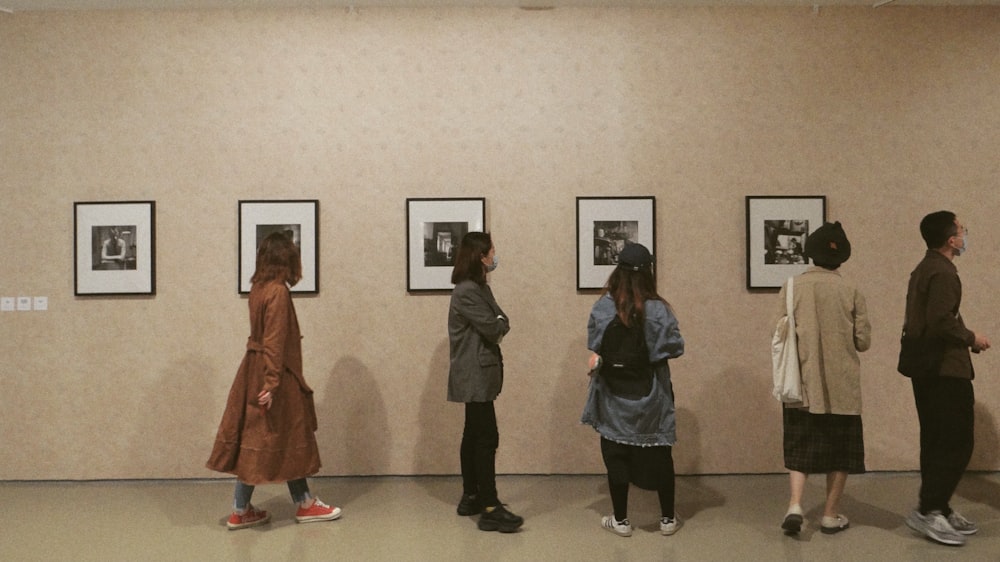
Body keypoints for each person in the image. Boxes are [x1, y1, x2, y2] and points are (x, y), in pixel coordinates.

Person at [206, 231, 341, 530]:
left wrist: (264, 379)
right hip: (275, 372)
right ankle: (304, 505)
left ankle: (241, 510)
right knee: (290, 436)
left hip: (254, 369)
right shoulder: (278, 291)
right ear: (286, 258)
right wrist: (271, 383)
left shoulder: (258, 287)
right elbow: (275, 340)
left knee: (258, 438)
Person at [581, 242, 685, 538]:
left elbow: (595, 343)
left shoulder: (603, 306)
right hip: (652, 394)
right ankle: (667, 519)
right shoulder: (659, 309)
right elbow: (675, 348)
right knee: (661, 455)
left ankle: (621, 520)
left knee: (615, 454)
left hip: (613, 395)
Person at [898, 211, 989, 546]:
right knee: (955, 441)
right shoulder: (943, 272)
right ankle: (930, 511)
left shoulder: (925, 267)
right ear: (951, 240)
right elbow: (940, 320)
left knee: (936, 440)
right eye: (962, 230)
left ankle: (936, 506)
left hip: (928, 368)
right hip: (944, 370)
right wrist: (971, 338)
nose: (965, 235)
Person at [776, 222, 871, 536]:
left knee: (800, 447)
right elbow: (863, 341)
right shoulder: (852, 290)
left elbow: (780, 330)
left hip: (802, 385)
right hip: (842, 386)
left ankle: (794, 505)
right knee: (841, 451)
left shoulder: (791, 287)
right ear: (841, 257)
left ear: (810, 253)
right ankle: (830, 515)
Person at [448, 231, 524, 533]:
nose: (495, 256)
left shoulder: (478, 288)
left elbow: (501, 319)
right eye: (492, 251)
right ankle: (490, 507)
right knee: (486, 438)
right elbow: (495, 327)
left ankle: (472, 496)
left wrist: (500, 322)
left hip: (477, 374)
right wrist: (500, 323)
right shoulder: (467, 291)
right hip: (474, 375)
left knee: (473, 434)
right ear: (481, 256)